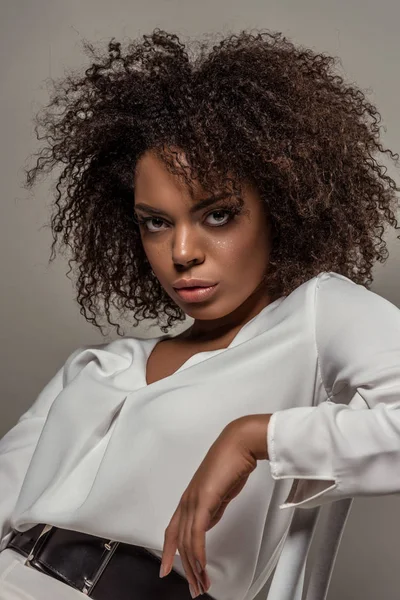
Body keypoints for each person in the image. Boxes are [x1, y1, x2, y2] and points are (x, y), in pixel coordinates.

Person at [1, 27, 400, 600]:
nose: (182, 251)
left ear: (280, 206)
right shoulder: (97, 367)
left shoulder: (316, 315)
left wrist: (252, 437)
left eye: (217, 215)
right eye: (156, 222)